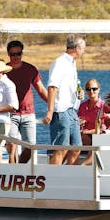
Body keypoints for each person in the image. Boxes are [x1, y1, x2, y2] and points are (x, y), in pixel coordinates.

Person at [3, 40, 49, 164]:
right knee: (11, 147)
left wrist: (53, 104)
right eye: (13, 54)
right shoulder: (3, 71)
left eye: (18, 53)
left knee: (30, 147)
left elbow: (41, 89)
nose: (16, 57)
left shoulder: (30, 69)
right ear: (8, 54)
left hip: (28, 113)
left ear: (22, 53)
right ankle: (13, 175)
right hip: (10, 114)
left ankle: (20, 169)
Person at [43, 35, 85, 165]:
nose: (84, 51)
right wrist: (50, 111)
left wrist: (79, 93)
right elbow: (52, 87)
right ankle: (54, 178)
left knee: (76, 148)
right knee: (61, 148)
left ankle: (69, 176)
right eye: (83, 48)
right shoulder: (60, 62)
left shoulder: (72, 63)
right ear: (77, 48)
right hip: (61, 110)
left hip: (72, 110)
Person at [76, 78, 104, 164]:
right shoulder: (83, 106)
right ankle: (70, 165)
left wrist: (87, 131)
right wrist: (79, 123)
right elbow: (78, 122)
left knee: (89, 137)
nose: (91, 91)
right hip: (85, 136)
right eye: (88, 89)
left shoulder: (103, 106)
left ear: (99, 89)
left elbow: (102, 128)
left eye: (94, 89)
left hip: (98, 135)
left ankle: (83, 165)